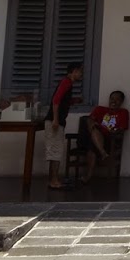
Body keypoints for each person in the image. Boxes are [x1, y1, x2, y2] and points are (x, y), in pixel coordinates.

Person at [46, 62, 83, 190]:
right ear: (74, 71)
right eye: (80, 71)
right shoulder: (66, 82)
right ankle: (54, 180)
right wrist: (56, 119)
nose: (81, 74)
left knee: (55, 151)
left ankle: (53, 179)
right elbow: (56, 100)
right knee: (55, 151)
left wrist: (74, 100)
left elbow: (62, 100)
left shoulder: (68, 84)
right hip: (55, 121)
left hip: (58, 120)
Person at [83, 90, 130, 181]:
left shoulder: (123, 112)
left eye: (117, 99)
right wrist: (92, 125)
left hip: (110, 140)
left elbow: (122, 129)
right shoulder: (100, 109)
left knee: (92, 146)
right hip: (95, 135)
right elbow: (90, 120)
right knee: (94, 133)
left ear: (121, 102)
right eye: (112, 99)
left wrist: (115, 131)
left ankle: (88, 176)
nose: (113, 101)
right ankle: (103, 153)